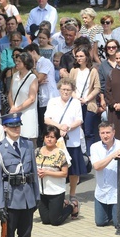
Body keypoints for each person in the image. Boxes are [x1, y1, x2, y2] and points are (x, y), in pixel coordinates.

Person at [44, 78, 84, 207]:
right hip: (56, 140)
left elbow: (79, 120)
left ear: (72, 90)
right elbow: (46, 119)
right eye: (63, 89)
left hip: (72, 140)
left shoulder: (76, 103)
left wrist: (68, 127)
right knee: (55, 167)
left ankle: (72, 194)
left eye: (68, 90)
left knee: (73, 170)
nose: (65, 92)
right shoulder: (53, 101)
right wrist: (60, 126)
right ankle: (57, 194)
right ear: (59, 89)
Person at [90, 122, 120, 228]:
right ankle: (112, 212)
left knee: (119, 224)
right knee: (100, 222)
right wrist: (113, 155)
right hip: (101, 192)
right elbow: (97, 166)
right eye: (102, 133)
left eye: (108, 132)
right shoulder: (94, 147)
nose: (105, 135)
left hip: (117, 193)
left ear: (113, 132)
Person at [34, 125, 75, 225]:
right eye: (47, 136)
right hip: (41, 191)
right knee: (45, 220)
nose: (49, 139)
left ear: (56, 139)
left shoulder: (60, 153)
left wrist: (47, 173)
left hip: (56, 191)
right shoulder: (37, 151)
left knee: (55, 221)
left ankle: (71, 206)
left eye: (52, 137)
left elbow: (64, 173)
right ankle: (62, 205)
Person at [8, 52, 39, 141]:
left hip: (27, 114)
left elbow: (32, 98)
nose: (16, 63)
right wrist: (12, 107)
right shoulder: (15, 76)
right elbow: (10, 94)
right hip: (15, 113)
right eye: (16, 61)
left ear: (25, 64)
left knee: (27, 140)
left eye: (19, 61)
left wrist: (17, 109)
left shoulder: (32, 77)